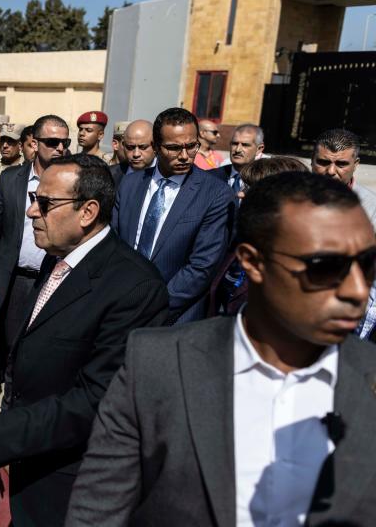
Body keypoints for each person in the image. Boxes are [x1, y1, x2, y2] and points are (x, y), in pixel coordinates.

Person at [67, 172, 376, 526]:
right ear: (253, 262)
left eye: (367, 265)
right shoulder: (157, 366)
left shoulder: (369, 378)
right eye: (326, 267)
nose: (357, 290)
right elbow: (97, 512)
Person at [0, 155, 169, 525]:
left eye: (45, 203)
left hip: (72, 487)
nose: (30, 213)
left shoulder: (135, 288)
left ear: (87, 212)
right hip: (31, 467)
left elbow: (98, 402)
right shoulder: (55, 258)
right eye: (32, 200)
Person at [112, 108, 235, 324]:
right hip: (120, 308)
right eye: (174, 148)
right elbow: (113, 244)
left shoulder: (215, 194)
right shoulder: (130, 185)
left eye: (191, 146)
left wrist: (155, 307)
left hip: (172, 317)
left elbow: (202, 266)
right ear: (156, 147)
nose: (185, 156)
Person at [0, 115, 72, 387]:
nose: (60, 148)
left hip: (56, 279)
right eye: (52, 141)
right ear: (34, 143)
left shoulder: (72, 178)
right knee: (9, 347)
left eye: (65, 142)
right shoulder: (11, 180)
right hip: (16, 280)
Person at [208, 156, 308, 318]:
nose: (240, 194)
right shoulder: (242, 238)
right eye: (243, 187)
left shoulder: (296, 261)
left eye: (250, 189)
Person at [310, 128, 376, 340]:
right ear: (311, 161)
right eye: (323, 162)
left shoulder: (372, 207)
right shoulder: (289, 197)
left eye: (341, 164)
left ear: (355, 165)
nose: (331, 171)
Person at [209, 123, 264, 203]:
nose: (238, 150)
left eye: (245, 145)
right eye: (234, 144)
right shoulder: (211, 177)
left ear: (259, 149)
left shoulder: (264, 180)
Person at [110, 119, 154, 187]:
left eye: (143, 147)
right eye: (130, 147)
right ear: (123, 145)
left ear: (155, 146)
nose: (136, 154)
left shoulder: (165, 175)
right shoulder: (110, 174)